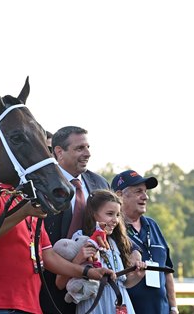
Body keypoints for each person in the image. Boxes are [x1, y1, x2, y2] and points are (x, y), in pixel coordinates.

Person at [0, 181, 115, 314]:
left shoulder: (29, 202)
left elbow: (48, 256)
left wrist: (89, 272)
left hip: (32, 304)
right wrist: (24, 212)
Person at [40, 126, 110, 314]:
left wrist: (134, 250)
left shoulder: (100, 184)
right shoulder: (40, 185)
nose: (87, 154)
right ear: (59, 152)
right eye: (80, 148)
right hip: (49, 286)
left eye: (88, 147)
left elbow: (117, 226)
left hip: (94, 285)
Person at [56, 189, 146, 314]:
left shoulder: (116, 242)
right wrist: (79, 258)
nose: (115, 220)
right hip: (94, 304)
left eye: (118, 215)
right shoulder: (80, 239)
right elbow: (59, 283)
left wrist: (137, 276)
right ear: (93, 213)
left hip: (120, 303)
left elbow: (123, 284)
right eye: (110, 214)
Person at [112, 170, 178, 314]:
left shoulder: (152, 225)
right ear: (119, 195)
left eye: (146, 192)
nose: (145, 196)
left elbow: (167, 270)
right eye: (138, 191)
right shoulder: (112, 230)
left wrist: (173, 307)